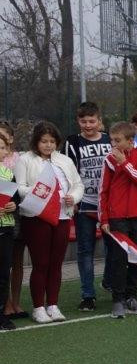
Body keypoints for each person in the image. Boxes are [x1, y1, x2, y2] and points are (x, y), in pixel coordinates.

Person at [14, 122, 84, 324]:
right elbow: (20, 188)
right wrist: (43, 193)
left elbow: (78, 184)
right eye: (44, 141)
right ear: (36, 142)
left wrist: (73, 197)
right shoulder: (25, 160)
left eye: (52, 141)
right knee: (41, 263)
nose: (48, 145)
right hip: (37, 217)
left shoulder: (64, 160)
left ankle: (52, 304)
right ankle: (38, 308)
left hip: (62, 216)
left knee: (56, 263)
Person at [98, 122, 137, 318]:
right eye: (111, 140)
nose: (113, 144)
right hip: (117, 216)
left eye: (117, 140)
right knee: (118, 259)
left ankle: (132, 297)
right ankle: (118, 300)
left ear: (130, 141)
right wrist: (104, 217)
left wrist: (125, 163)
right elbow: (103, 190)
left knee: (136, 259)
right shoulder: (109, 159)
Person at [63, 102, 113, 311]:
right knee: (85, 250)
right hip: (84, 204)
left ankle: (109, 281)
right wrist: (72, 199)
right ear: (78, 121)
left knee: (114, 248)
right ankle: (88, 295)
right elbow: (67, 171)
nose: (88, 125)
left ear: (99, 120)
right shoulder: (72, 142)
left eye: (92, 121)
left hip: (108, 204)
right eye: (83, 121)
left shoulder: (110, 140)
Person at [1, 122, 27, 321]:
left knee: (14, 261)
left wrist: (14, 204)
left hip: (14, 219)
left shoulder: (18, 160)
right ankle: (6, 304)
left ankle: (14, 302)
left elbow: (18, 191)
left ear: (10, 139)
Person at [0, 132, 18, 330]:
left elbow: (14, 200)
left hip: (5, 228)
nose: (2, 151)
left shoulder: (7, 173)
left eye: (4, 147)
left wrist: (13, 206)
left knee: (4, 274)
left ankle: (2, 315)